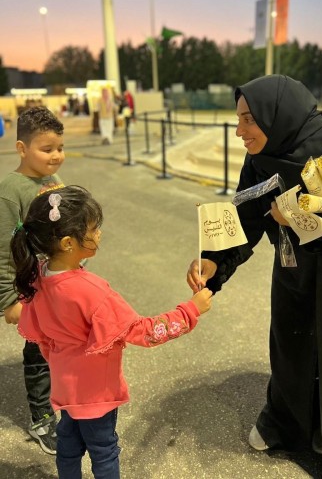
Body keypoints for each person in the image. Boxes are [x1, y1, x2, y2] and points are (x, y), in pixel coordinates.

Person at [186, 75, 322, 479]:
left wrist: (300, 211)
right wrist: (214, 262)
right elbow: (246, 216)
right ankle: (285, 425)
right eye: (238, 119)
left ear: (276, 115)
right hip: (296, 263)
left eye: (249, 120)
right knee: (291, 341)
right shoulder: (261, 159)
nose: (239, 131)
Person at [11, 185, 212, 479]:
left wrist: (59, 359)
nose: (99, 234)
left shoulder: (38, 277)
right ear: (68, 243)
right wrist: (190, 310)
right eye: (93, 229)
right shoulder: (91, 290)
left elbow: (39, 335)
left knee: (68, 445)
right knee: (103, 450)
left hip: (64, 385)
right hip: (96, 392)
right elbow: (145, 331)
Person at [0, 106, 65, 455]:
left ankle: (63, 401)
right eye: (47, 149)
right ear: (22, 149)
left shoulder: (53, 181)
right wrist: (8, 300)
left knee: (61, 347)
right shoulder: (10, 191)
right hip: (32, 289)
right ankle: (42, 419)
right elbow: (2, 249)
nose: (56, 156)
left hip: (60, 285)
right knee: (38, 353)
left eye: (60, 148)